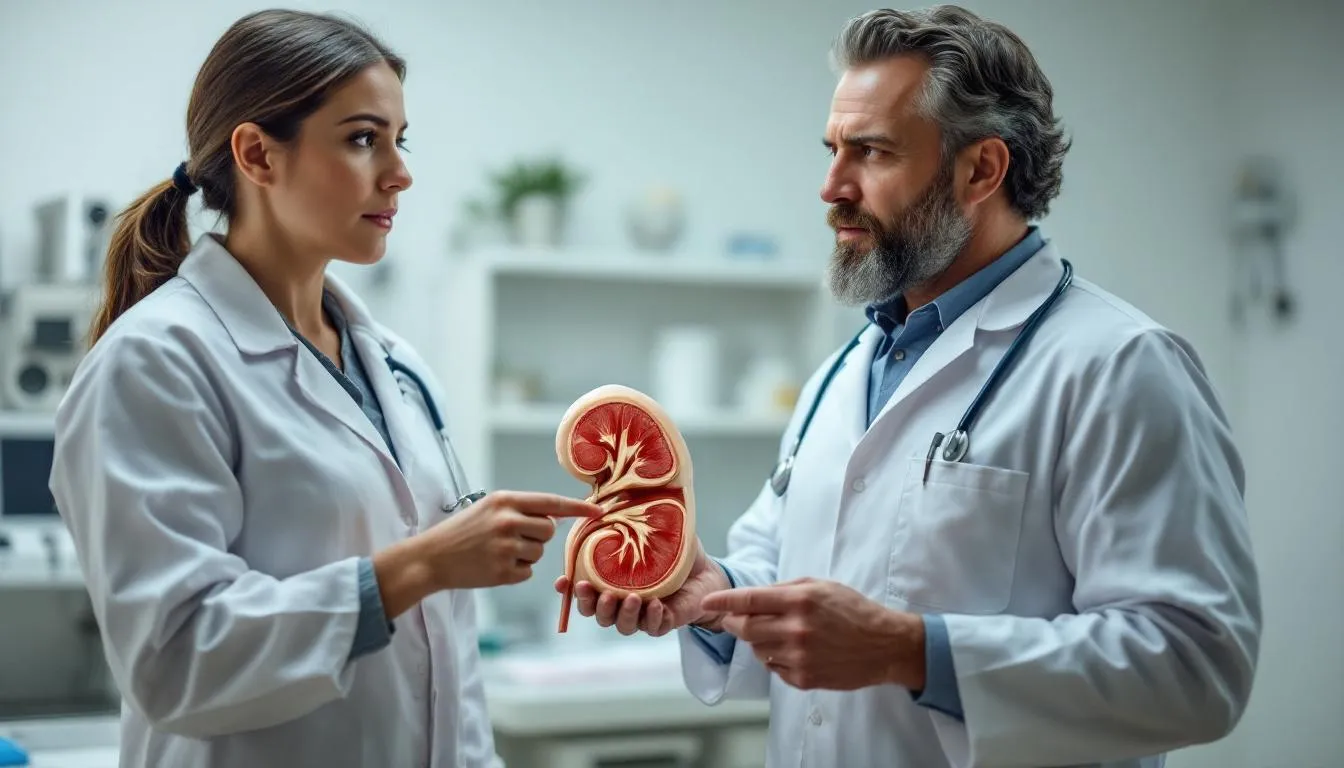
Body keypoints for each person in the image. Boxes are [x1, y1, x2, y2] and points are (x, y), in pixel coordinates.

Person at [554, 6, 1261, 767]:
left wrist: (914, 652)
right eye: (831, 150)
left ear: (981, 170)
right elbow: (785, 573)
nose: (831, 187)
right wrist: (710, 594)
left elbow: (1196, 667)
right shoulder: (842, 373)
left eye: (871, 153)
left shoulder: (1119, 365)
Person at [48, 10, 600, 768]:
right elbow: (173, 658)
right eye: (363, 138)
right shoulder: (155, 362)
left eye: (399, 141)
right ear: (258, 155)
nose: (399, 172)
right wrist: (423, 565)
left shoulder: (396, 367)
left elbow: (447, 667)